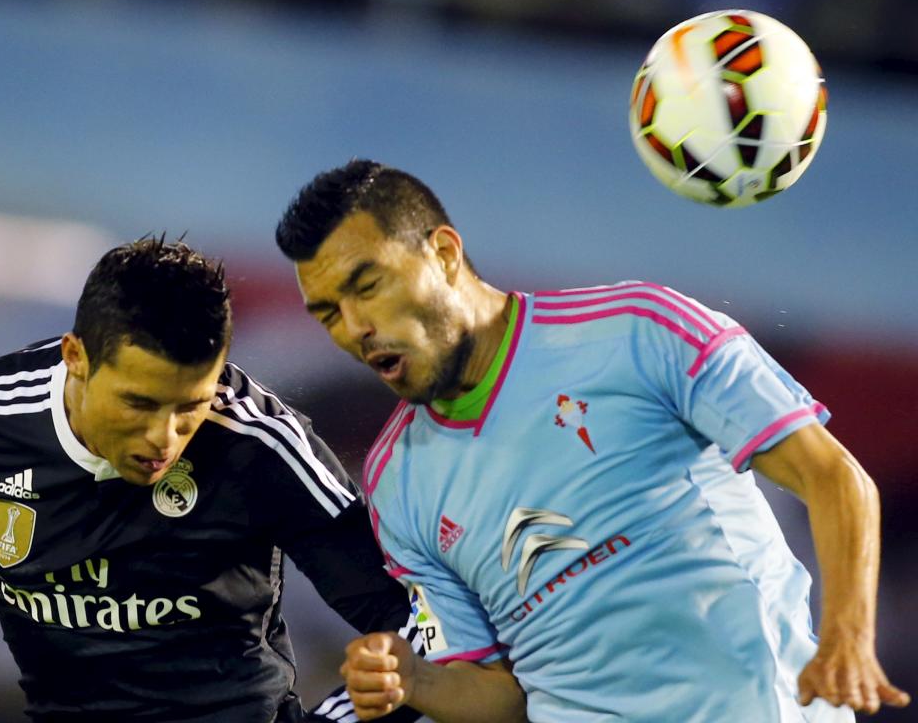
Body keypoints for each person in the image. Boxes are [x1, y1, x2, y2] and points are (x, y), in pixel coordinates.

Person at [274, 159, 911, 723]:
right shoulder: (395, 482)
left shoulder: (639, 331)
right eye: (328, 312)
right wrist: (417, 681)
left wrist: (847, 639)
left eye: (367, 285)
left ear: (443, 252)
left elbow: (834, 477)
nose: (355, 327)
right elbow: (504, 698)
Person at [0, 237, 423, 723]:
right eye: (138, 403)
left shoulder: (257, 445)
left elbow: (423, 625)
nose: (165, 439)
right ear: (76, 356)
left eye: (190, 406)